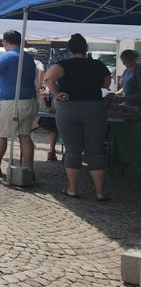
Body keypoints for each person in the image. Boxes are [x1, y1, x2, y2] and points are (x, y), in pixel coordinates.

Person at [44, 34, 111, 200]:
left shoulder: (63, 64)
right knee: (95, 151)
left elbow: (47, 78)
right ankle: (99, 192)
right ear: (86, 48)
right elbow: (107, 84)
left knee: (73, 150)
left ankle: (72, 189)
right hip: (95, 107)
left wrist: (57, 93)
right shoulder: (98, 64)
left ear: (69, 49)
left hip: (69, 107)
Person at [0, 30, 38, 176]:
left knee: (1, 133)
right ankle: (29, 169)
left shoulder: (7, 56)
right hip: (29, 99)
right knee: (25, 135)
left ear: (5, 42)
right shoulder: (29, 57)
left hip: (11, 101)